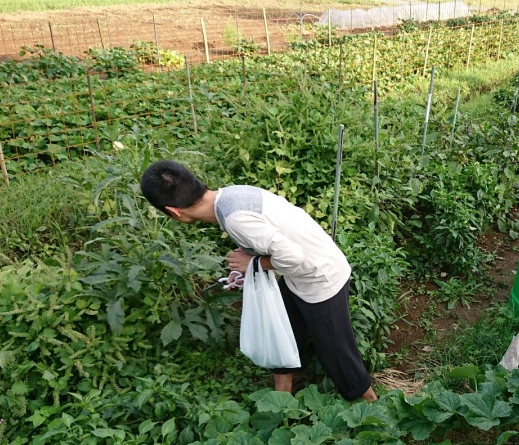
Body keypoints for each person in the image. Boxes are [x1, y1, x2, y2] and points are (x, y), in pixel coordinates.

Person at [140, 159, 378, 402]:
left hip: (321, 277)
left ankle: (373, 408)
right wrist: (249, 265)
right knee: (282, 333)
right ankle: (281, 401)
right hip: (300, 275)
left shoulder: (235, 219)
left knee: (336, 352)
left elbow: (293, 256)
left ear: (173, 211)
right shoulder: (229, 196)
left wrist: (253, 264)